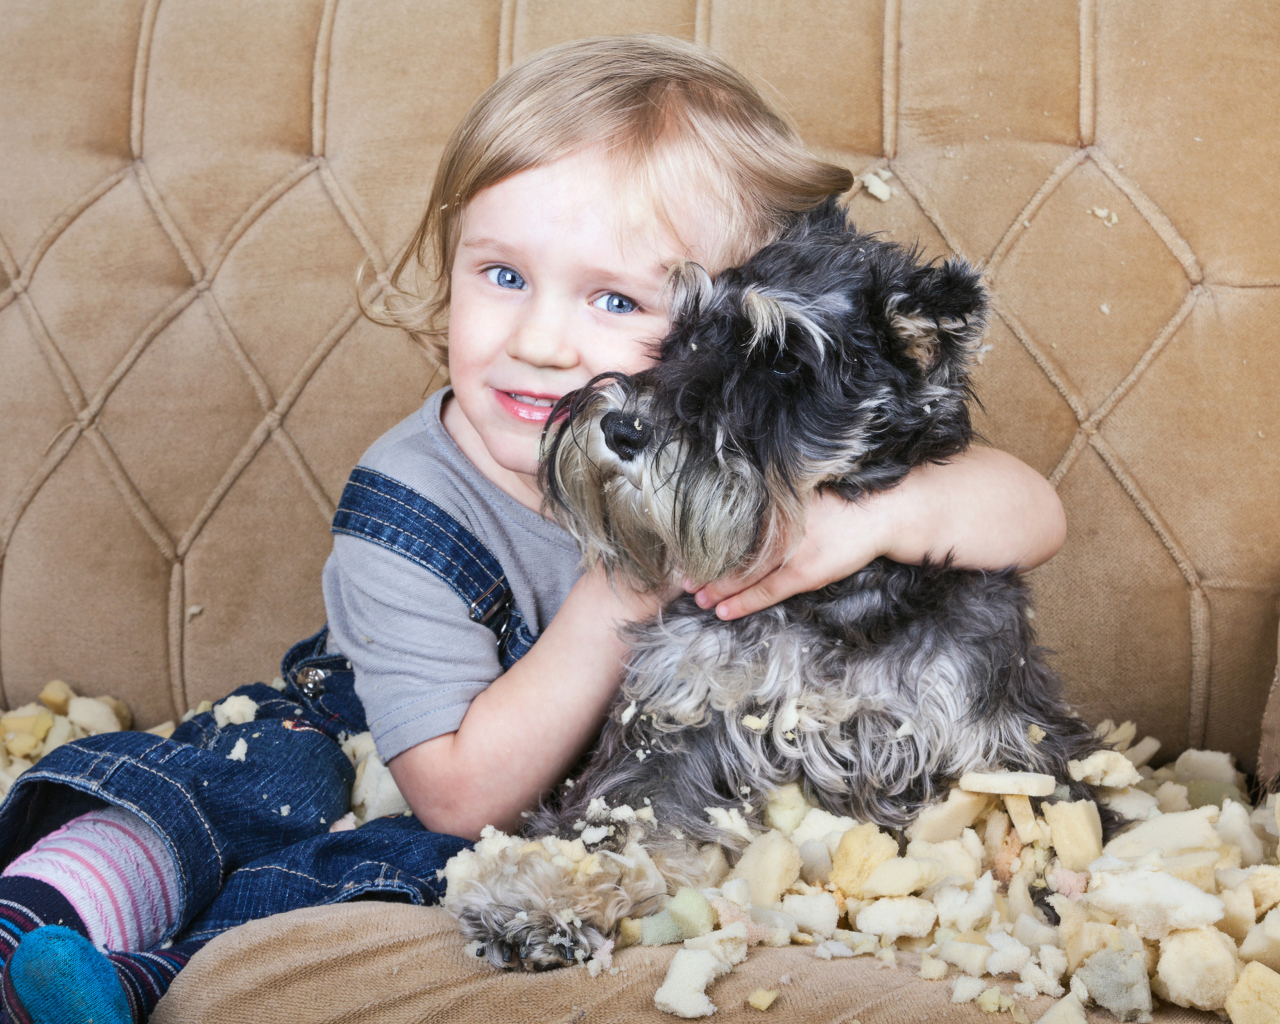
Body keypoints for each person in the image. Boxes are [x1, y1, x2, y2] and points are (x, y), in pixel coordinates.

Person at [0, 36, 1065, 1023]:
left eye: (615, 302)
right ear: (446, 266)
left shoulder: (764, 460)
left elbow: (1031, 513)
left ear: (721, 327)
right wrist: (624, 586)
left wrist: (876, 518)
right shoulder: (407, 500)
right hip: (397, 749)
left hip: (591, 801)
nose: (541, 341)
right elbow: (457, 791)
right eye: (500, 275)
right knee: (236, 808)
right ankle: (32, 920)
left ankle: (126, 987)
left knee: (348, 891)